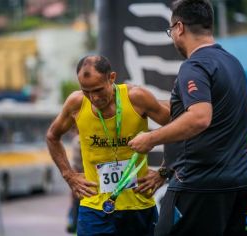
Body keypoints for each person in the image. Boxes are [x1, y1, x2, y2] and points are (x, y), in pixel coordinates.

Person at [128, 0, 247, 235]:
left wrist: (150, 139)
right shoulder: (233, 63)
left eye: (170, 30)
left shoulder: (194, 66)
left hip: (199, 187)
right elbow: (210, 128)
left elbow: (198, 119)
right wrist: (165, 171)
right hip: (238, 185)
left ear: (179, 28)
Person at [46, 55, 170, 235]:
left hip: (139, 204)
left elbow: (178, 128)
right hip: (94, 208)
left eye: (98, 89)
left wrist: (164, 172)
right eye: (86, 91)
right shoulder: (76, 103)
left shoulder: (136, 98)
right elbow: (52, 136)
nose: (93, 98)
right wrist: (69, 176)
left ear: (111, 78)